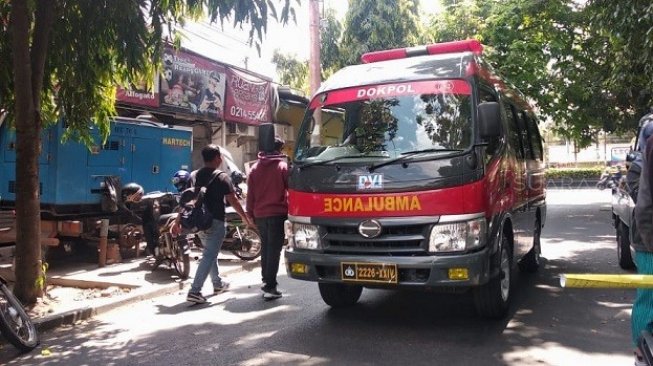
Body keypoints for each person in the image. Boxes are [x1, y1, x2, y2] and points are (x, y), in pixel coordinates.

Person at [172, 145, 252, 304]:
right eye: (220, 157)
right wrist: (245, 217)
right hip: (216, 221)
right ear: (216, 158)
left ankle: (217, 284)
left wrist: (177, 221)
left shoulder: (193, 176)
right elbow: (233, 201)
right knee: (209, 255)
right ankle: (195, 291)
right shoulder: (223, 177)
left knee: (210, 253)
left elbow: (186, 200)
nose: (221, 159)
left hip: (199, 222)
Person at [246, 137, 289, 300]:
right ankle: (270, 286)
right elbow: (290, 189)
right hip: (277, 214)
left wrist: (250, 214)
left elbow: (250, 195)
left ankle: (266, 282)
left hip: (260, 215)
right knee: (274, 250)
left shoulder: (254, 169)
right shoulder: (282, 167)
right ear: (278, 150)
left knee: (266, 248)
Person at [632, 130, 653, 366]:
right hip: (648, 241)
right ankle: (641, 352)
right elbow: (644, 206)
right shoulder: (643, 157)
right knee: (648, 299)